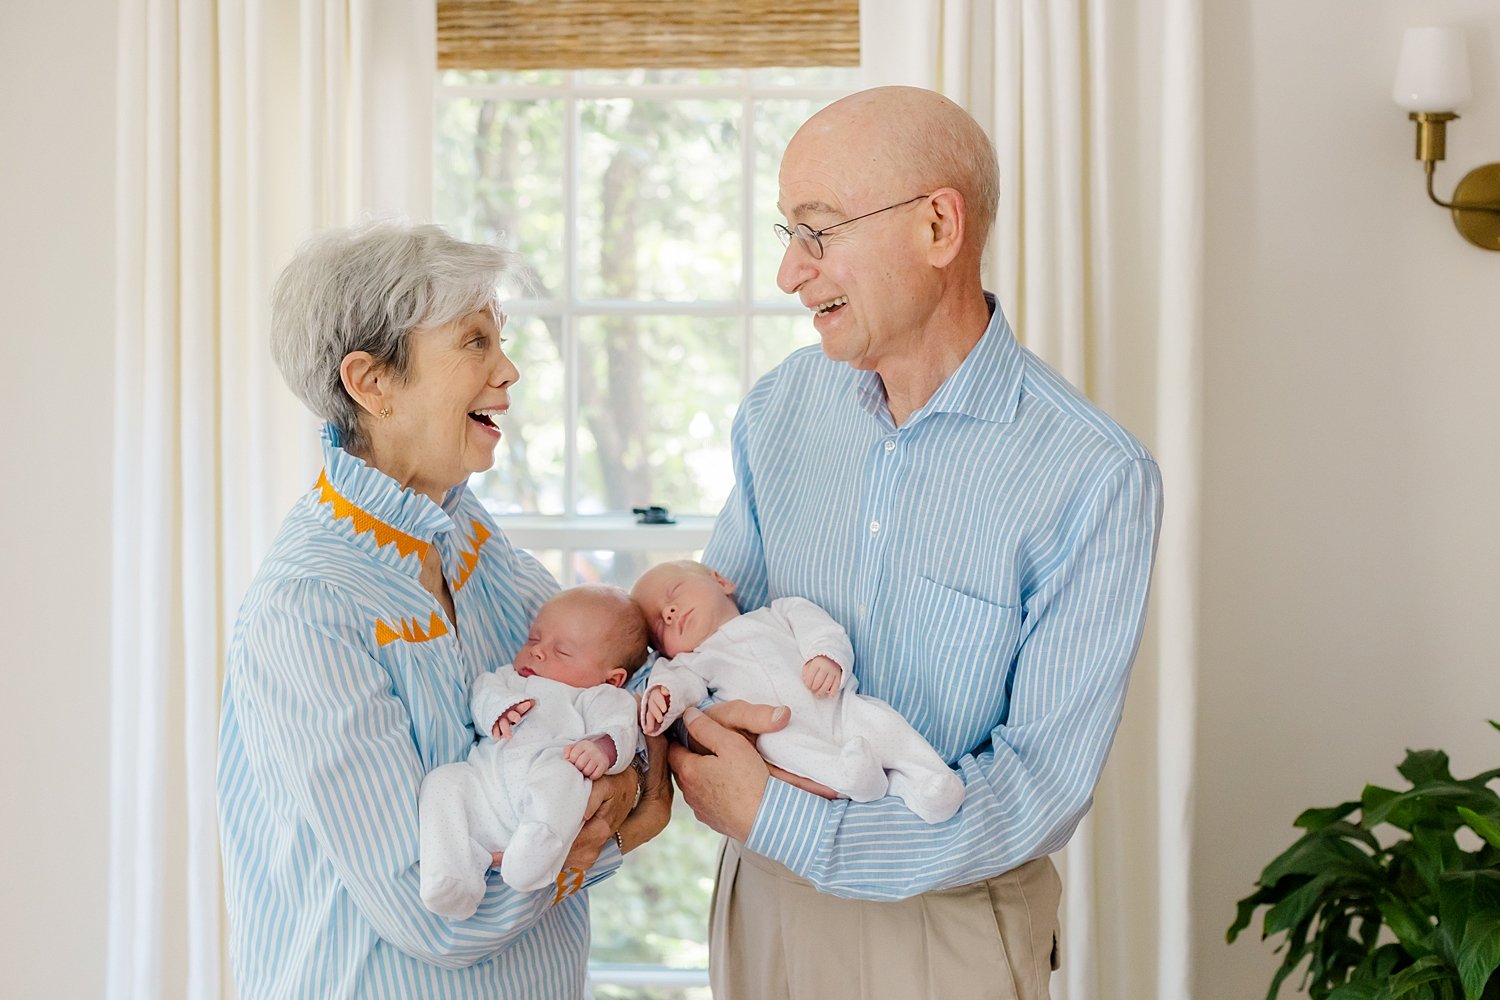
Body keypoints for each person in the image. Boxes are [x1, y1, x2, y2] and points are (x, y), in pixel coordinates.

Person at [665, 86, 1164, 1000]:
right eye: (787, 233)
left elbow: (1039, 782)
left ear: (939, 227)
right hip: (762, 898)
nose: (788, 273)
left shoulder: (1095, 474)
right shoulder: (778, 412)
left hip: (948, 927)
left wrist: (796, 823)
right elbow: (711, 635)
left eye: (817, 231)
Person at [216, 221, 671, 999]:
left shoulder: (466, 528)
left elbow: (630, 688)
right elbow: (430, 909)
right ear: (372, 383)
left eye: (501, 338)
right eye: (474, 342)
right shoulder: (307, 607)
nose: (509, 369)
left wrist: (622, 788)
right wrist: (622, 811)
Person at [632, 560, 963, 823]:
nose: (670, 612)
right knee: (780, 746)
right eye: (661, 627)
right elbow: (677, 687)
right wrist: (664, 696)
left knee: (884, 724)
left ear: (721, 581)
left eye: (675, 591)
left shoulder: (782, 612)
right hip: (781, 727)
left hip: (836, 704)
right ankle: (855, 779)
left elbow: (822, 630)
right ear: (667, 651)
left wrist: (826, 656)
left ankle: (930, 781)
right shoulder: (690, 662)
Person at [420, 585, 647, 915]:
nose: (538, 652)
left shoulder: (598, 697)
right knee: (444, 781)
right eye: (533, 639)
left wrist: (601, 749)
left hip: (540, 798)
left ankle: (533, 858)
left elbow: (622, 728)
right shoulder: (510, 680)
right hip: (483, 791)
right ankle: (451, 875)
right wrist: (498, 709)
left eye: (562, 652)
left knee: (564, 770)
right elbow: (482, 691)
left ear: (611, 679)